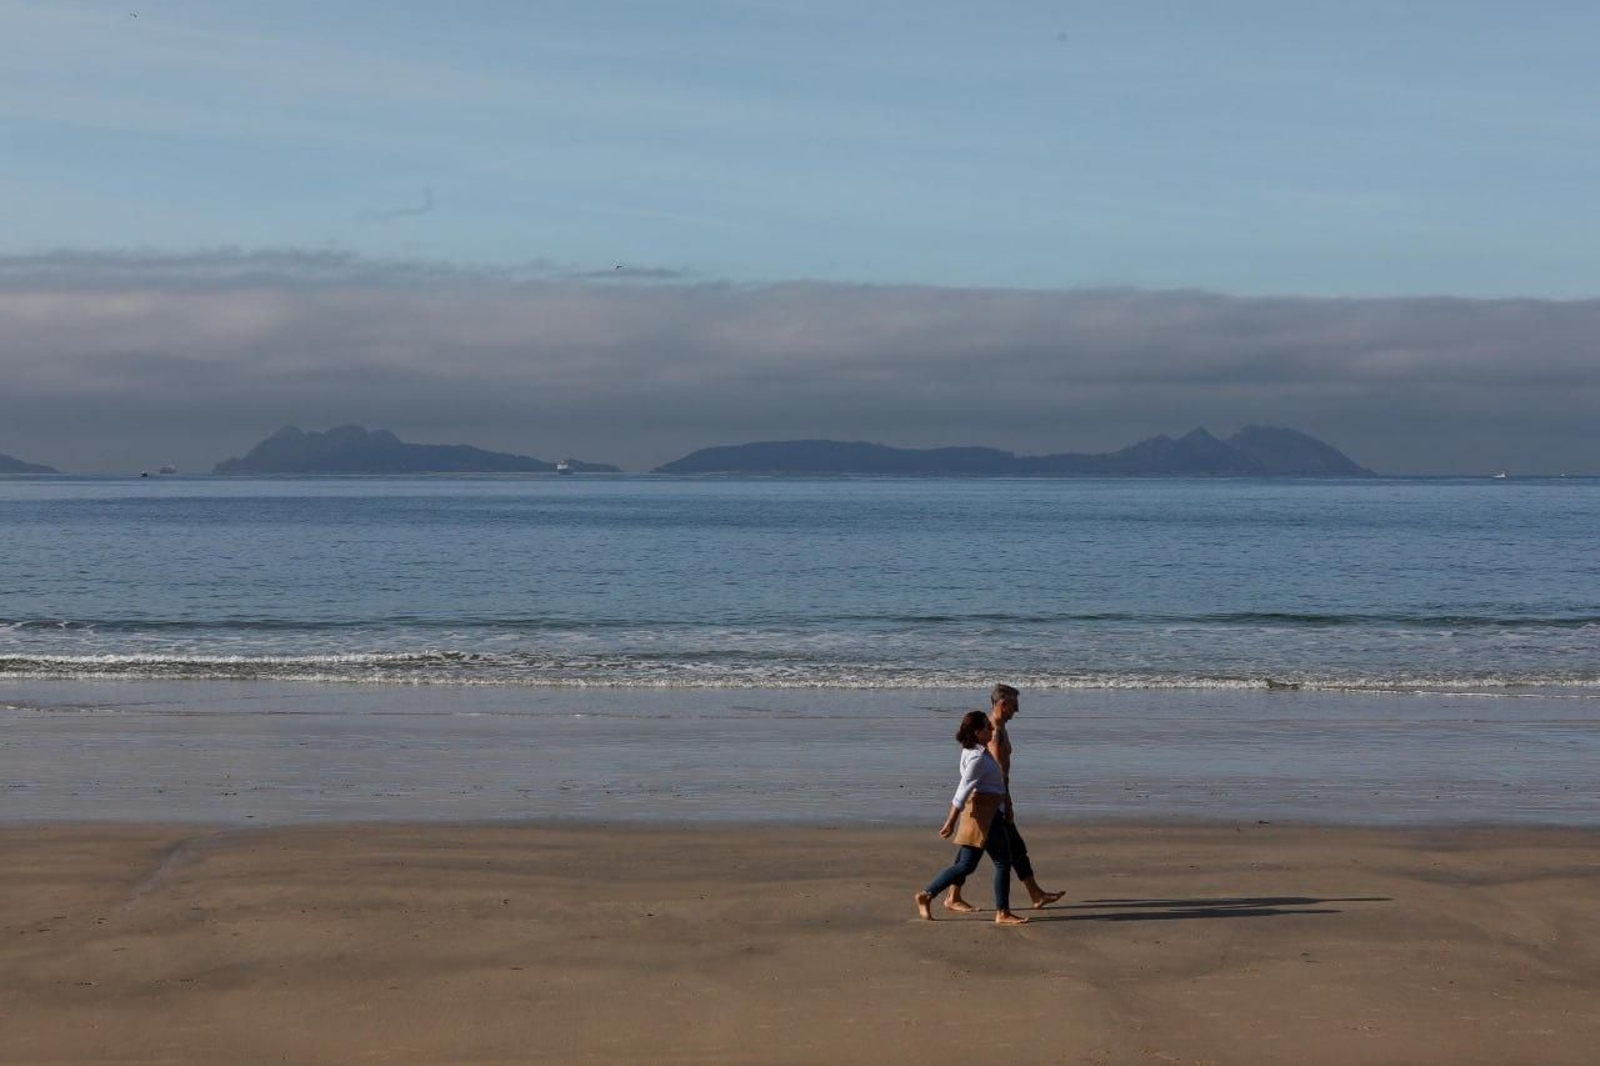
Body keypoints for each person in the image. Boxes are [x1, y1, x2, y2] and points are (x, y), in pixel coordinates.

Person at [944, 684, 1065, 913]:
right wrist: (1007, 803)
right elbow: (998, 772)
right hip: (993, 804)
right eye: (1014, 705)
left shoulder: (998, 728)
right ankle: (949, 895)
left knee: (1004, 848)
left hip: (994, 802)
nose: (1017, 709)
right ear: (1002, 704)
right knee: (986, 853)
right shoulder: (994, 733)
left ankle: (1035, 894)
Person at [914, 711, 1030, 925]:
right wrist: (950, 822)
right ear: (977, 732)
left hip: (989, 812)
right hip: (985, 816)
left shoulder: (974, 751)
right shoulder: (976, 757)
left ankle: (927, 895)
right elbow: (962, 791)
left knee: (966, 865)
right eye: (988, 727)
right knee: (1003, 862)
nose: (992, 730)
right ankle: (1002, 912)